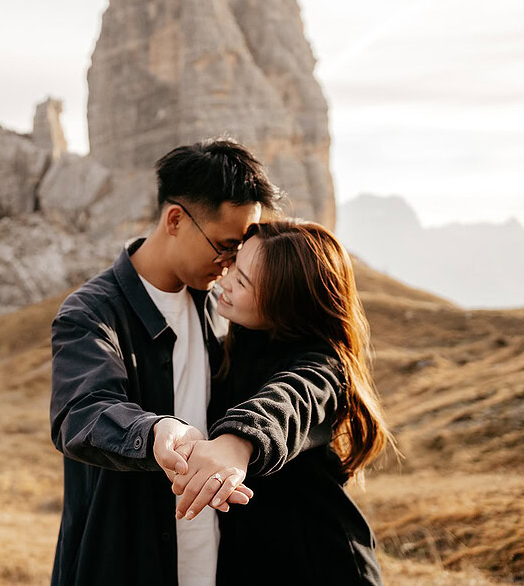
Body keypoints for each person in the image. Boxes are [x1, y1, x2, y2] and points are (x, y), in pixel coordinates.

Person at [48, 139, 278, 586]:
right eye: (224, 247)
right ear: (175, 219)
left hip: (214, 557)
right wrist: (153, 431)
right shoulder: (91, 312)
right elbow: (81, 412)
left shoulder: (217, 306)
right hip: (124, 562)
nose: (229, 266)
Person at [167, 219, 395, 584]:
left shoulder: (322, 366)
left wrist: (238, 443)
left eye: (242, 281)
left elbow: (291, 399)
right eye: (233, 266)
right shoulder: (237, 341)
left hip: (322, 563)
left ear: (285, 303)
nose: (223, 281)